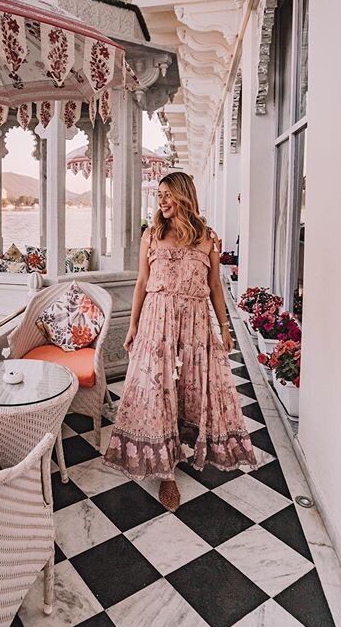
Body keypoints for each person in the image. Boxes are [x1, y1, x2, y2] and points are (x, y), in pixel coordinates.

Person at [104, 172, 257, 511]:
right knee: (158, 390)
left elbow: (216, 286)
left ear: (184, 196)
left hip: (194, 322)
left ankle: (182, 446)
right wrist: (132, 326)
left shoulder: (207, 238)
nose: (161, 200)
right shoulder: (152, 235)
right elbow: (142, 283)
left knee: (189, 388)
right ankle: (167, 472)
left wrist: (224, 327)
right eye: (159, 194)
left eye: (167, 194)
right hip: (156, 321)